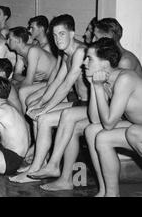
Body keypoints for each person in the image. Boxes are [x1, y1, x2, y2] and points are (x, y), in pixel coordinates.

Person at [10, 14, 89, 183]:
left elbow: (67, 85)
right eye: (54, 35)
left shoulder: (80, 51)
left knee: (44, 117)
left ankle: (37, 168)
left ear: (72, 33)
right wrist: (40, 103)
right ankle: (38, 166)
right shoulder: (65, 53)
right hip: (79, 103)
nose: (57, 39)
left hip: (92, 106)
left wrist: (44, 108)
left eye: (62, 34)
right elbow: (56, 83)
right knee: (38, 115)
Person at [81, 38, 142, 197]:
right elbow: (95, 120)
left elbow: (108, 124)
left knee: (133, 131)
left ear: (105, 64)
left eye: (90, 59)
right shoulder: (106, 79)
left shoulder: (125, 79)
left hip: (138, 130)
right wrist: (95, 87)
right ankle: (108, 193)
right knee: (93, 131)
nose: (84, 63)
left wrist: (99, 88)